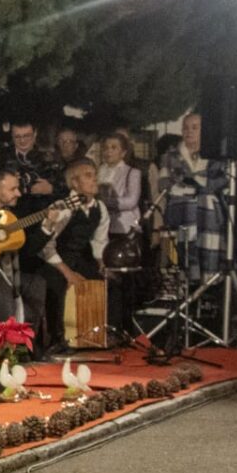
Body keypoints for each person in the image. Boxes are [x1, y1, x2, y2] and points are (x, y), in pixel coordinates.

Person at [38, 159, 108, 348]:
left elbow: (99, 241)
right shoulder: (63, 207)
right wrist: (67, 273)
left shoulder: (100, 208)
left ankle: (93, 335)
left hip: (82, 258)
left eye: (94, 175)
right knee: (57, 284)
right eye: (88, 176)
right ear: (75, 183)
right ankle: (58, 338)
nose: (94, 180)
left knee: (102, 281)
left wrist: (101, 263)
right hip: (56, 260)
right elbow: (46, 246)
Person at [0, 170, 46, 351]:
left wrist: (47, 228)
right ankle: (4, 347)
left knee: (37, 283)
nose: (19, 193)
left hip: (8, 271)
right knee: (3, 282)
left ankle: (25, 346)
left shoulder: (13, 215)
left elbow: (28, 249)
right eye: (13, 189)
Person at [157, 113, 225, 287]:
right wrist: (199, 185)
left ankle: (208, 288)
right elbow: (164, 184)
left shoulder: (217, 156)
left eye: (195, 127)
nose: (189, 131)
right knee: (183, 258)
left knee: (208, 256)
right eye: (186, 127)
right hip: (181, 213)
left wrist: (190, 185)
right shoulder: (170, 155)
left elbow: (219, 183)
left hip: (207, 214)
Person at [98, 131, 144, 331]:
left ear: (123, 152)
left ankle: (126, 325)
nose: (109, 152)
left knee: (125, 280)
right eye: (106, 147)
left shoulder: (131, 172)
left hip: (124, 230)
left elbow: (131, 200)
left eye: (114, 147)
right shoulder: (98, 171)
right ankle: (109, 323)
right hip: (103, 229)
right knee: (107, 279)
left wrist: (104, 203)